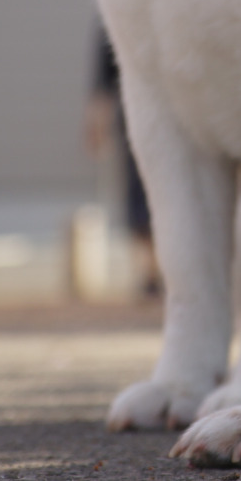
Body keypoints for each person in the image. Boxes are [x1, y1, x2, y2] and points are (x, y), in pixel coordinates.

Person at [86, 26, 158, 299]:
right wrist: (98, 120)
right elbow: (103, 75)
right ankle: (149, 269)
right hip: (134, 113)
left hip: (171, 112)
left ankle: (159, 269)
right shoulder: (114, 15)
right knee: (138, 193)